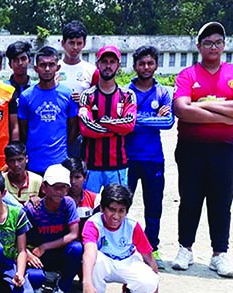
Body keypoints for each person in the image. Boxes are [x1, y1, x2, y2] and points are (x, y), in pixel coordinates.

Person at [171, 22, 233, 277]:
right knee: (190, 199)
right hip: (191, 148)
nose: (213, 47)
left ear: (224, 45)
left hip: (225, 149)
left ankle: (220, 253)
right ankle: (185, 248)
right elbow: (182, 110)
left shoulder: (231, 72)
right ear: (198, 46)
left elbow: (192, 109)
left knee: (221, 202)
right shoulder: (188, 75)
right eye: (208, 42)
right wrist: (225, 112)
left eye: (218, 42)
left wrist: (203, 107)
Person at [81, 184, 170, 293]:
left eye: (121, 211)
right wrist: (86, 283)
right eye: (111, 210)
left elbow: (150, 259)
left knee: (149, 281)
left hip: (127, 262)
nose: (116, 216)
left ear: (126, 211)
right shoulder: (93, 223)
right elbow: (89, 253)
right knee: (94, 260)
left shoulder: (132, 226)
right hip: (104, 264)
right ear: (103, 208)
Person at [127, 45, 174, 269]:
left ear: (155, 65)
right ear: (135, 66)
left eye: (150, 63)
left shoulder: (163, 92)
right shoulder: (125, 92)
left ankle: (152, 248)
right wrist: (151, 117)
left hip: (154, 158)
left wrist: (136, 119)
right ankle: (123, 246)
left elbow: (168, 123)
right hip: (127, 158)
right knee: (121, 205)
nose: (146, 67)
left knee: (153, 206)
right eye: (142, 63)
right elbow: (125, 124)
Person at [23, 164, 82, 293]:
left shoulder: (68, 204)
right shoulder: (32, 209)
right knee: (36, 278)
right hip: (37, 256)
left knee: (76, 248)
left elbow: (73, 234)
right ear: (44, 188)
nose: (60, 192)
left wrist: (45, 246)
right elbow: (18, 238)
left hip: (56, 252)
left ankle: (61, 290)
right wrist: (29, 254)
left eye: (64, 187)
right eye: (56, 187)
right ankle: (42, 278)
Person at [79, 45, 137, 193]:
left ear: (118, 65)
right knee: (88, 211)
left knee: (117, 211)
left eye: (112, 61)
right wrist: (117, 129)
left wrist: (103, 121)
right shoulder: (87, 95)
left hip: (118, 166)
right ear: (98, 64)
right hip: (91, 166)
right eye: (104, 61)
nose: (108, 65)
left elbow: (129, 124)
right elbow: (86, 128)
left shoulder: (128, 95)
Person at [18, 46, 78, 175]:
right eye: (43, 65)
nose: (47, 69)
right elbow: (23, 130)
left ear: (58, 67)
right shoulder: (26, 96)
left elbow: (74, 127)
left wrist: (63, 147)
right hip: (34, 162)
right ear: (35, 68)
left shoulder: (68, 95)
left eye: (51, 65)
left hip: (60, 162)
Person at [58, 20, 97, 103]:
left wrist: (84, 100)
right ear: (63, 43)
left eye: (79, 43)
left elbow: (97, 100)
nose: (75, 47)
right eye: (71, 43)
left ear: (84, 44)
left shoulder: (92, 71)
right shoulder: (53, 69)